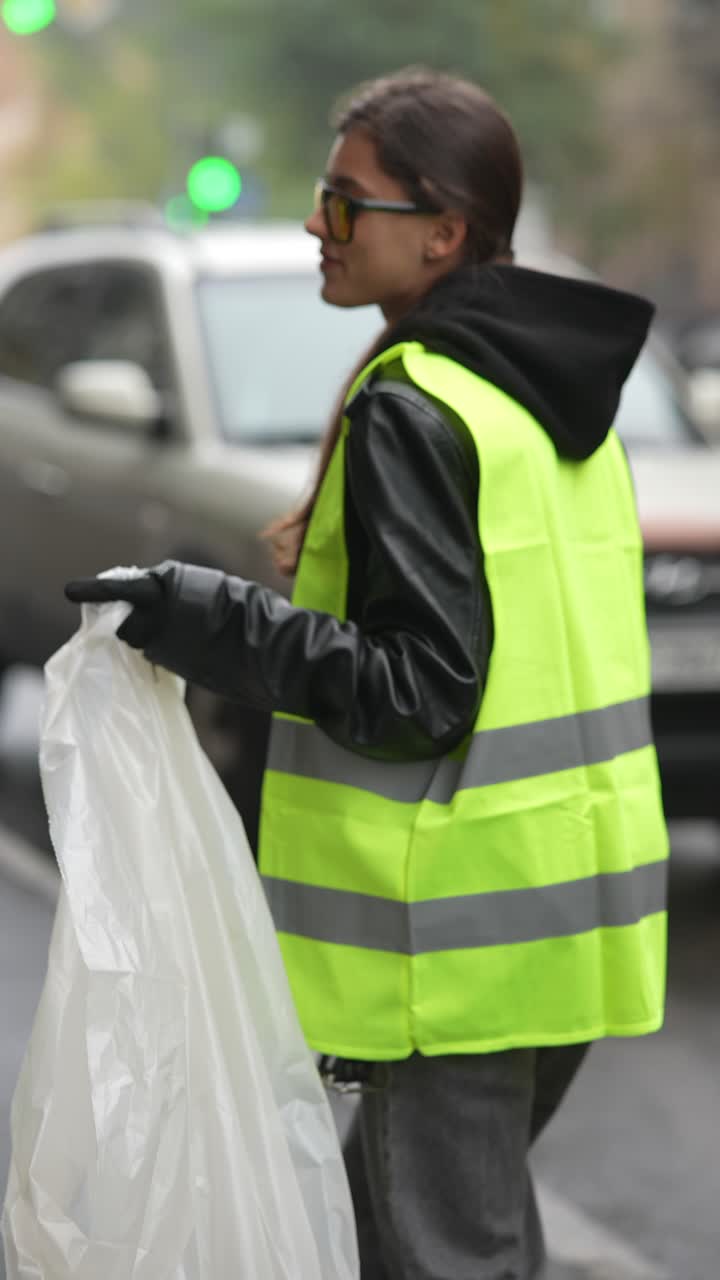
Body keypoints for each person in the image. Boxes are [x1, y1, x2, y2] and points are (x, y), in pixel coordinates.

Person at [65, 68, 669, 1280]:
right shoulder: (547, 403)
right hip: (566, 912)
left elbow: (418, 690)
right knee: (411, 1234)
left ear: (443, 231)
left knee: (442, 1252)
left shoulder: (417, 405)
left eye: (348, 203)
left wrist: (202, 615)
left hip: (449, 943)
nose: (315, 225)